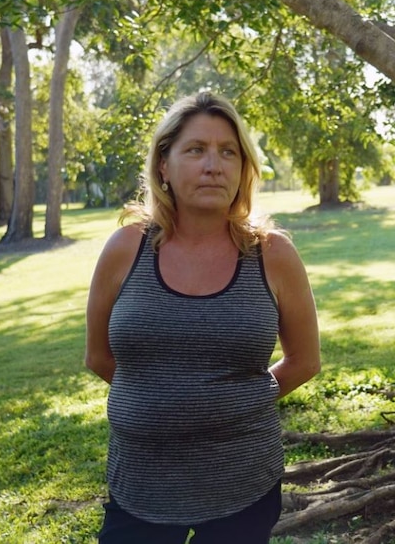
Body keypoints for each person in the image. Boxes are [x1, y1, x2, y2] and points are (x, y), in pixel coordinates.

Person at [85, 91, 321, 544]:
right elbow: (98, 356)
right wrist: (161, 402)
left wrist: (233, 406)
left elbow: (305, 361)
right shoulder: (124, 249)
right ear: (163, 165)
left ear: (243, 168)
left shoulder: (272, 254)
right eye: (196, 150)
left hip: (244, 481)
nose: (214, 165)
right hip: (140, 484)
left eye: (228, 152)